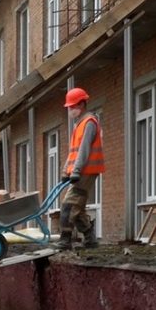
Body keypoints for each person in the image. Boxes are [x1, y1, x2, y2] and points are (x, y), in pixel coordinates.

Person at [54, 87, 105, 251]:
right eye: (69, 107)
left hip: (86, 172)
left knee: (69, 205)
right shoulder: (79, 124)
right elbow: (73, 151)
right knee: (77, 208)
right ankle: (90, 239)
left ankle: (65, 240)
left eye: (72, 107)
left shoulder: (89, 122)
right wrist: (65, 171)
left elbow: (84, 150)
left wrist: (75, 172)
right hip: (80, 171)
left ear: (82, 104)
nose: (70, 110)